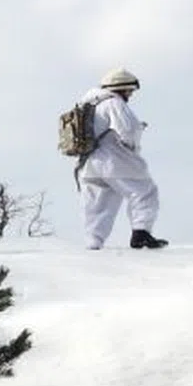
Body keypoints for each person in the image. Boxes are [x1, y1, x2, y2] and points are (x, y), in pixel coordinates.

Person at [77, 68, 168, 250]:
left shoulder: (86, 101)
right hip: (113, 159)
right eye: (130, 91)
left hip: (87, 162)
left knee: (98, 204)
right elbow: (129, 130)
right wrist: (133, 146)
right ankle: (141, 233)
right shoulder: (113, 102)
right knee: (144, 191)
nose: (131, 94)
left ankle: (93, 243)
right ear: (122, 88)